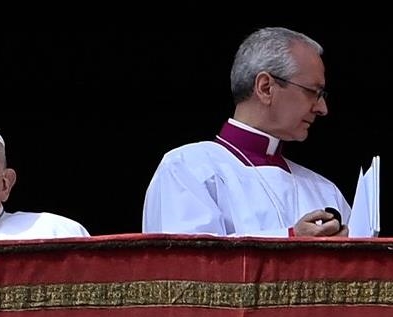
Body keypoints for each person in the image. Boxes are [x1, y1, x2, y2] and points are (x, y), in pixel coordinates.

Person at [142, 27, 350, 237]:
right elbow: (191, 257)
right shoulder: (187, 168)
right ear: (265, 87)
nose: (322, 108)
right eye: (313, 92)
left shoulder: (325, 190)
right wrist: (291, 238)